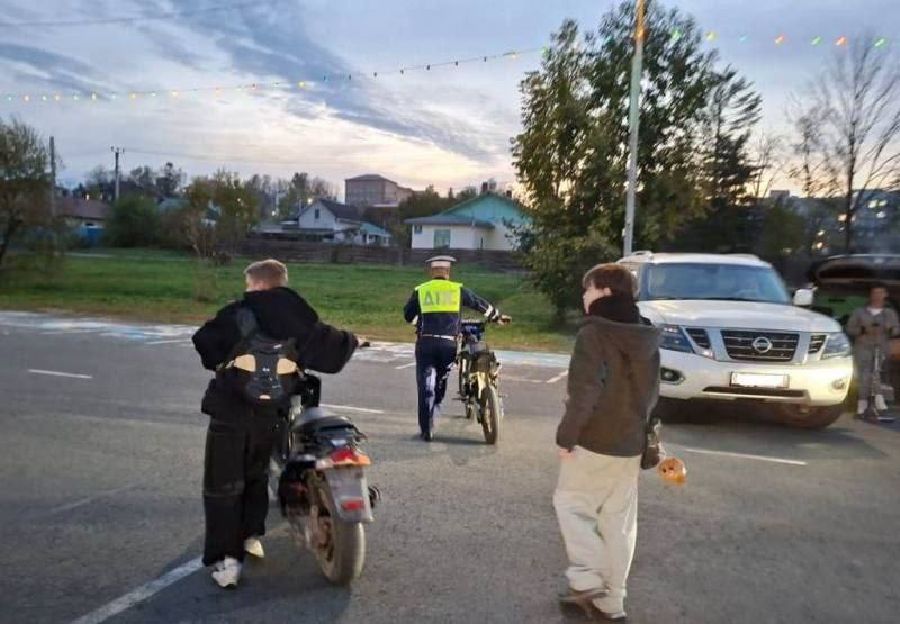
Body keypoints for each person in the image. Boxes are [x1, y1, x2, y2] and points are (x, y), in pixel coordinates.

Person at [192, 259, 360, 589]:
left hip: (230, 412)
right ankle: (251, 535)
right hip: (271, 415)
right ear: (281, 282)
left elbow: (205, 346)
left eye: (249, 284)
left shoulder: (236, 313)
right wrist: (353, 341)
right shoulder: (301, 316)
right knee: (257, 475)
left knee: (223, 484)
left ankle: (227, 562)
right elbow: (332, 353)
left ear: (257, 284)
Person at [553, 263, 660, 622]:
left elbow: (584, 392)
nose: (584, 296)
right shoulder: (645, 333)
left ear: (604, 292)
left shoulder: (594, 334)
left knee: (570, 505)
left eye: (588, 289)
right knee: (618, 523)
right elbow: (651, 394)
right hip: (630, 444)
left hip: (593, 441)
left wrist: (566, 436)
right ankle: (612, 601)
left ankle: (588, 582)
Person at [402, 255, 508, 441]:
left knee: (425, 384)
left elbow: (408, 315)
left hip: (426, 343)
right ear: (448, 272)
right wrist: (496, 316)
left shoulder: (421, 290)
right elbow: (479, 303)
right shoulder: (457, 290)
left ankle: (427, 429)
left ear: (432, 272)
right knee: (441, 380)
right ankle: (436, 403)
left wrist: (419, 324)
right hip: (448, 344)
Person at [846, 283, 899, 420]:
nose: (877, 296)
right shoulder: (859, 312)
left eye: (880, 293)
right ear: (871, 295)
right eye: (875, 293)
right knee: (864, 375)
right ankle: (863, 406)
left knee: (877, 375)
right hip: (863, 347)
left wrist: (889, 329)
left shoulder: (889, 313)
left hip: (881, 347)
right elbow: (850, 329)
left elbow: (896, 329)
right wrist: (863, 330)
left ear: (885, 295)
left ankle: (879, 404)